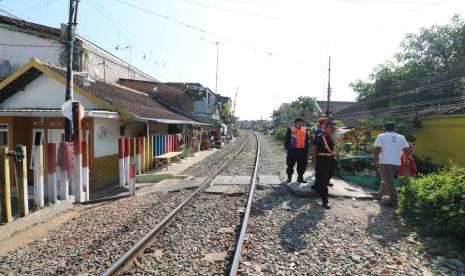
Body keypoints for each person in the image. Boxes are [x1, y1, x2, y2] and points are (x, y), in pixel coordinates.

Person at [372, 122, 410, 205]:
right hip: (396, 162)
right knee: (387, 178)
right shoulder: (401, 137)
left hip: (385, 161)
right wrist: (406, 160)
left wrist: (375, 159)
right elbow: (407, 150)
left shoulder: (382, 136)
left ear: (385, 128)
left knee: (388, 179)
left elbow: (377, 148)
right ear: (394, 128)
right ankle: (379, 195)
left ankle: (394, 199)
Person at [312, 121, 337, 209]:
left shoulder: (332, 137)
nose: (332, 129)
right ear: (325, 128)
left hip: (330, 159)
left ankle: (316, 186)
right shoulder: (319, 137)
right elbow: (314, 149)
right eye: (331, 128)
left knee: (330, 174)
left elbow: (333, 148)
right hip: (321, 160)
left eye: (333, 128)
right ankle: (325, 201)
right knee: (323, 180)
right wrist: (315, 160)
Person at [285, 117, 310, 183]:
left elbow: (306, 140)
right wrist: (289, 149)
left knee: (302, 164)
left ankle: (300, 177)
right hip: (293, 150)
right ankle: (289, 177)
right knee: (290, 164)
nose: (302, 123)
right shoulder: (291, 129)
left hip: (302, 150)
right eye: (301, 122)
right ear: (297, 122)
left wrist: (306, 149)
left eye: (302, 122)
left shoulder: (304, 129)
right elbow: (287, 140)